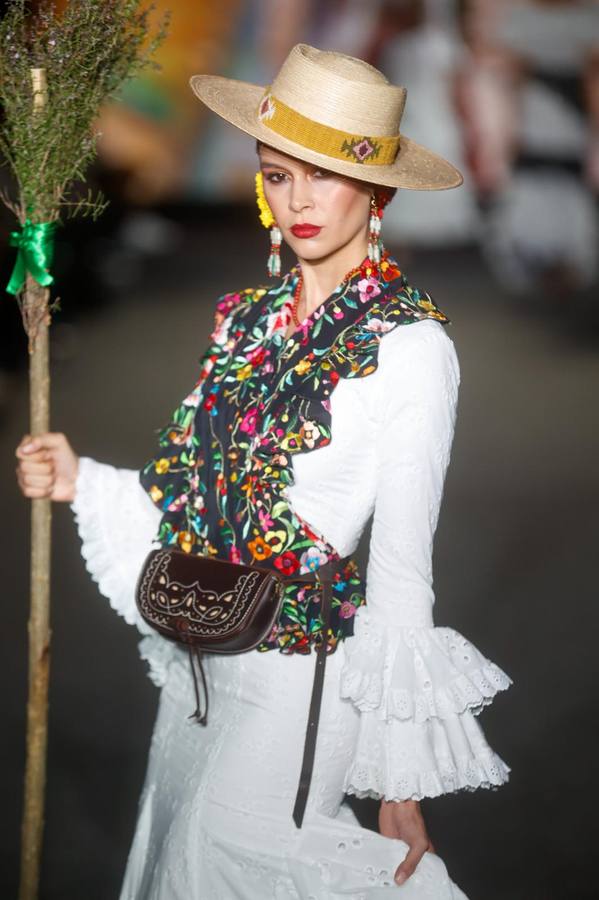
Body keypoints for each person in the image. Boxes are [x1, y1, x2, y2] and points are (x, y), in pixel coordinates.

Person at [15, 43, 513, 899]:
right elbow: (192, 489)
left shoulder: (412, 351)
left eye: (325, 176)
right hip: (201, 661)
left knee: (240, 865)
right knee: (175, 856)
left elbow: (399, 574)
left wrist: (398, 785)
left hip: (297, 678)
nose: (301, 201)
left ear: (378, 191)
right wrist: (80, 479)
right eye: (280, 175)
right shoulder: (246, 320)